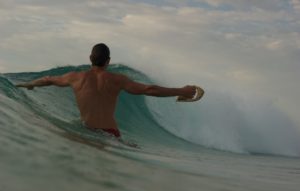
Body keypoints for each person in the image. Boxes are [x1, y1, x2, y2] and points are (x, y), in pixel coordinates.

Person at [16, 43, 203, 138]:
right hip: (110, 135)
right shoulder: (117, 79)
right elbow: (149, 89)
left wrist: (29, 84)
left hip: (85, 130)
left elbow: (48, 80)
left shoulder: (75, 77)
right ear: (108, 61)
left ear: (90, 58)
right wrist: (182, 90)